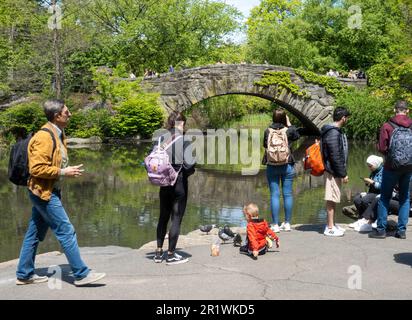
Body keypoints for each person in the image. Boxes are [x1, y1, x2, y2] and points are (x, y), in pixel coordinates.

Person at [15, 100, 106, 286]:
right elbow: (37, 168)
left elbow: (55, 162)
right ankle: (81, 274)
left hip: (48, 190)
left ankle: (24, 274)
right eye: (67, 111)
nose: (70, 114)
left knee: (34, 233)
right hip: (43, 193)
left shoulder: (58, 133)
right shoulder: (44, 137)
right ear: (57, 116)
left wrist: (64, 169)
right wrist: (64, 172)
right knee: (66, 231)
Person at [153, 112, 196, 265]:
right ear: (182, 123)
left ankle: (158, 252)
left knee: (163, 217)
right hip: (178, 183)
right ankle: (170, 254)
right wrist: (184, 172)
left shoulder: (160, 139)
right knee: (176, 218)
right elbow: (190, 166)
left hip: (163, 183)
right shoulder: (185, 140)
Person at [369, 100, 412, 239]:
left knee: (385, 197)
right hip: (408, 167)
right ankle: (401, 231)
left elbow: (382, 148)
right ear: (407, 111)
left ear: (395, 110)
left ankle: (381, 230)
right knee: (405, 198)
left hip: (390, 167)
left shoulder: (387, 125)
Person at [263, 109, 300, 233]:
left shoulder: (268, 131)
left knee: (274, 194)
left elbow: (265, 145)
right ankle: (287, 223)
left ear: (273, 118)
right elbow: (297, 136)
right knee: (288, 194)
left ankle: (274, 225)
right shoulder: (288, 130)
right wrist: (289, 124)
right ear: (284, 119)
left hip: (272, 165)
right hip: (287, 165)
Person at [321, 107, 350, 237]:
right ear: (343, 118)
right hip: (332, 171)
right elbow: (335, 155)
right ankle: (330, 227)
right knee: (331, 199)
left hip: (333, 170)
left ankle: (332, 224)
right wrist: (343, 173)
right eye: (347, 117)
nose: (347, 119)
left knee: (333, 198)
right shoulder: (333, 133)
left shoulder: (333, 131)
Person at [347, 155, 383, 232]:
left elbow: (383, 186)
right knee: (357, 199)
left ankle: (368, 220)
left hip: (380, 194)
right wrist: (367, 183)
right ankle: (361, 219)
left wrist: (372, 182)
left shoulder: (383, 171)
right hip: (372, 192)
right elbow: (371, 185)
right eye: (368, 166)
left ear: (376, 164)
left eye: (370, 166)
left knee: (365, 199)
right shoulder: (373, 172)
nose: (369, 168)